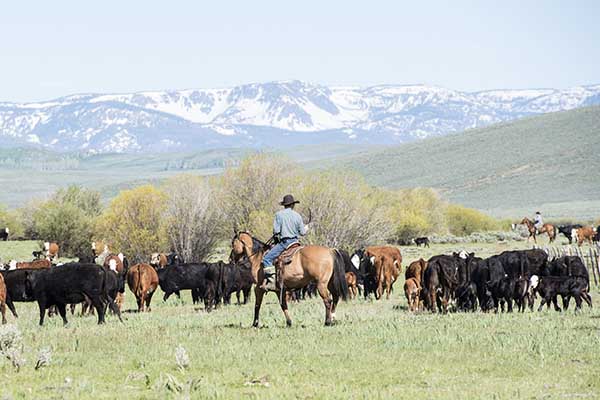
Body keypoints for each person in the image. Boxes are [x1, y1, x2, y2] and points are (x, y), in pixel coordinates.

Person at [260, 194, 308, 291]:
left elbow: (276, 231)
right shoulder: (297, 216)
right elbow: (302, 232)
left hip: (285, 243)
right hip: (296, 243)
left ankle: (272, 282)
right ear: (293, 205)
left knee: (266, 259)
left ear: (284, 205)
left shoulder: (279, 215)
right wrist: (306, 228)